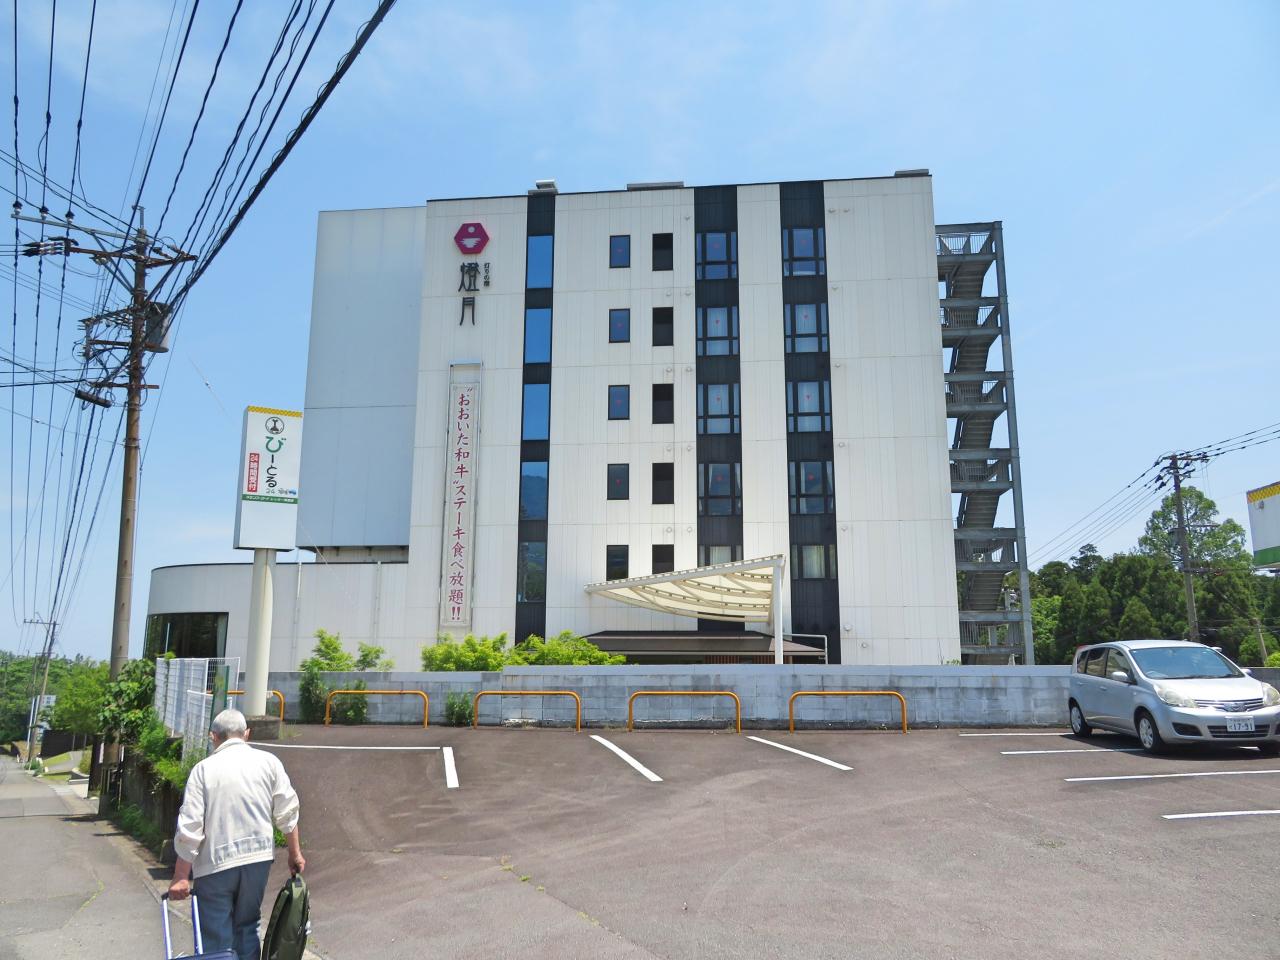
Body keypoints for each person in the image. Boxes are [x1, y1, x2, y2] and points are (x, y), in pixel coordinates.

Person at [168, 708, 305, 960]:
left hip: (215, 863)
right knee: (248, 927)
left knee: (217, 937)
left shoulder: (203, 770)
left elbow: (191, 825)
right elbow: (287, 811)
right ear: (247, 734)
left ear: (213, 736)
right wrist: (294, 853)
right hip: (257, 859)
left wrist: (180, 876)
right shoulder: (269, 762)